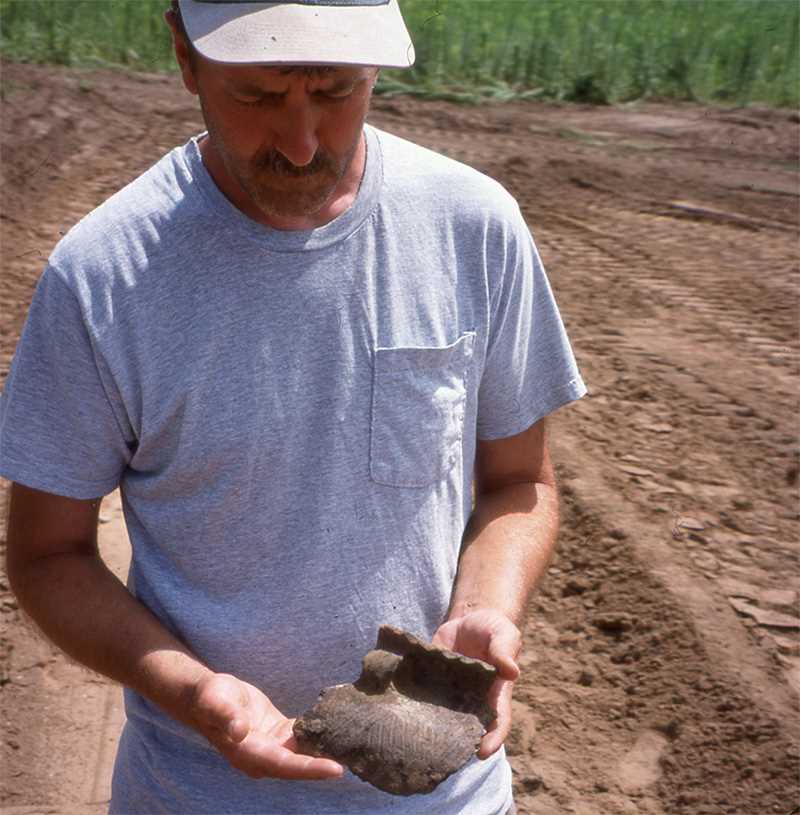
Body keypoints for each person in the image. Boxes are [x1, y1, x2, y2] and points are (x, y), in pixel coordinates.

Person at [0, 1, 586, 812]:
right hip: (193, 792)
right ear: (184, 54)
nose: (302, 141)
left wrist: (487, 608)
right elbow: (46, 554)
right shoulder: (103, 275)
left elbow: (521, 481)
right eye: (258, 97)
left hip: (448, 794)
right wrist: (191, 690)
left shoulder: (473, 227)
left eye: (338, 90)